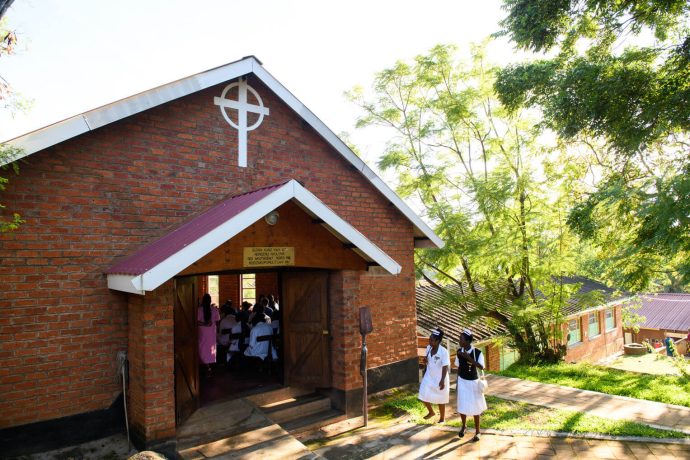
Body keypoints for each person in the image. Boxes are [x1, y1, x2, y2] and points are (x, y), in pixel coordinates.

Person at [455, 329, 487, 442]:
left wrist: (468, 358)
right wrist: (457, 383)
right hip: (462, 381)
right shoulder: (459, 352)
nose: (459, 340)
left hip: (473, 382)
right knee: (462, 405)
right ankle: (464, 426)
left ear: (468, 341)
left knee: (475, 407)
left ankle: (478, 431)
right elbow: (458, 367)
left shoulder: (477, 352)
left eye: (461, 339)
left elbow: (481, 367)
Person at [418, 328, 450, 423]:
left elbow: (445, 366)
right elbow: (427, 360)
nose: (430, 341)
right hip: (429, 376)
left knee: (441, 399)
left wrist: (442, 380)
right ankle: (431, 412)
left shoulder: (444, 352)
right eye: (429, 339)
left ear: (438, 341)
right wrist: (424, 362)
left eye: (432, 340)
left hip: (440, 377)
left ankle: (442, 418)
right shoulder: (428, 348)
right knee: (422, 394)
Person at [197, 293, 220, 376]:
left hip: (202, 333)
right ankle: (209, 366)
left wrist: (204, 324)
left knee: (202, 348)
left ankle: (204, 365)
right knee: (210, 349)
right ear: (210, 301)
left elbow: (195, 321)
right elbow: (217, 321)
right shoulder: (215, 310)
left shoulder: (199, 310)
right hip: (211, 333)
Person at [217, 301, 241, 366]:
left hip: (226, 341)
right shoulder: (237, 319)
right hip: (236, 341)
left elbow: (220, 332)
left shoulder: (224, 320)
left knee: (216, 336)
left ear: (225, 313)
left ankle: (220, 359)